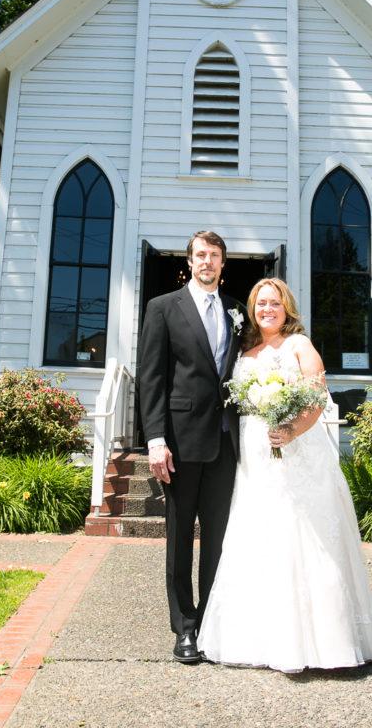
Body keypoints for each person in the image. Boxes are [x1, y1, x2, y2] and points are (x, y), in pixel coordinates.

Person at [197, 277, 372, 671]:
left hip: (298, 457)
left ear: (286, 308)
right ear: (252, 308)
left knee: (303, 538)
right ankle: (262, 639)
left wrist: (292, 428)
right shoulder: (246, 350)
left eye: (274, 304)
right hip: (255, 462)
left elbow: (317, 398)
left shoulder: (299, 345)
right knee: (260, 538)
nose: (267, 310)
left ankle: (323, 640)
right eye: (260, 304)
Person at [138, 231, 246, 664]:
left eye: (215, 256)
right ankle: (184, 629)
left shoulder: (238, 310)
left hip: (225, 442)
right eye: (200, 255)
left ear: (223, 264)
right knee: (181, 538)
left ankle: (212, 624)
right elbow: (152, 377)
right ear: (190, 261)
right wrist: (156, 439)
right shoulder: (163, 308)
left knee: (218, 540)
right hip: (180, 443)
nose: (207, 262)